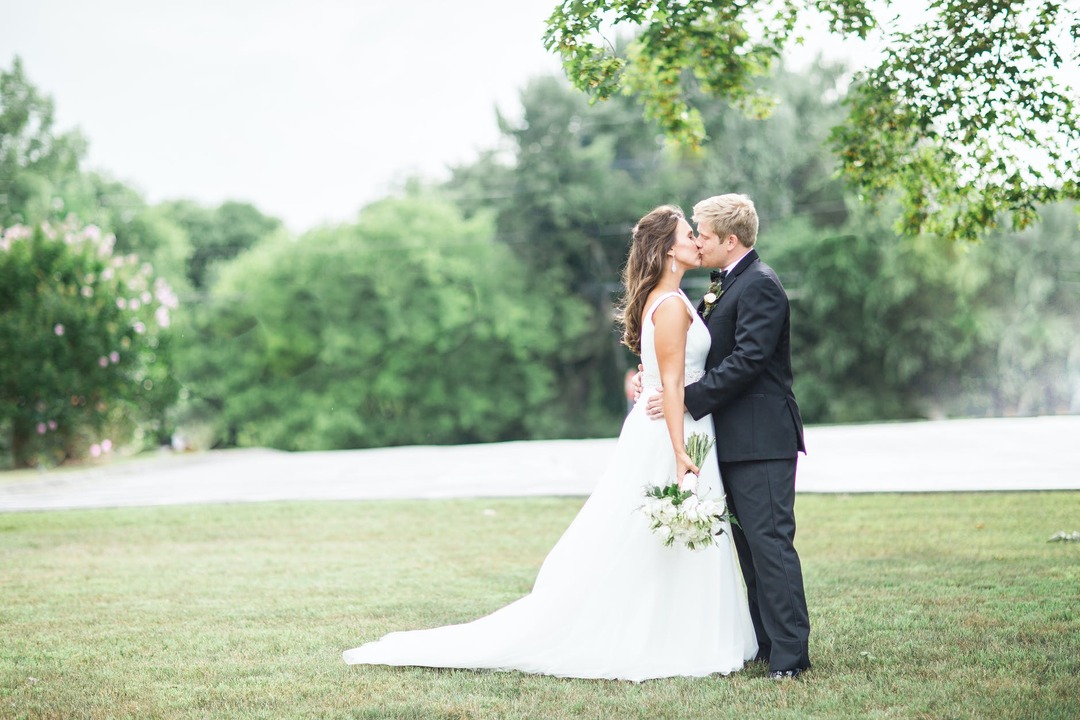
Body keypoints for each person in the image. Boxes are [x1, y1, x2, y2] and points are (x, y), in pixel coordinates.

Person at [342, 205, 757, 681]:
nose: (697, 241)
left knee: (672, 534)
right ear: (667, 251)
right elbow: (673, 382)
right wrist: (681, 451)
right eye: (689, 234)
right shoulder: (668, 306)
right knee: (663, 531)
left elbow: (671, 378)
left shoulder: (676, 300)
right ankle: (666, 636)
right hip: (673, 433)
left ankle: (688, 630)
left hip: (680, 424)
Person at [644, 193, 811, 680]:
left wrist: (689, 399)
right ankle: (766, 644)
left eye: (704, 235)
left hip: (763, 439)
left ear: (730, 240)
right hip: (732, 440)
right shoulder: (726, 283)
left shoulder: (761, 285)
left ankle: (791, 657)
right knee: (749, 549)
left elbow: (748, 360)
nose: (697, 241)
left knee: (771, 544)